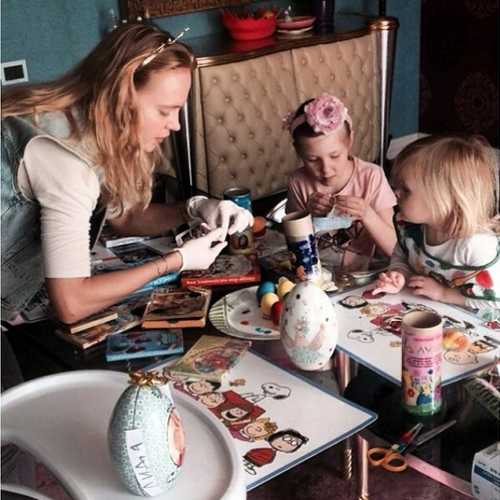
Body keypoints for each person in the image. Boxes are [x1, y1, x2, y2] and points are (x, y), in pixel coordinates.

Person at [1, 24, 253, 325]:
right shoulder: (67, 162)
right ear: (121, 97)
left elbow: (125, 217)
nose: (175, 124)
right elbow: (72, 303)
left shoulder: (90, 126)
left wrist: (193, 207)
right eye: (164, 111)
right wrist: (177, 261)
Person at [373, 135, 500, 315]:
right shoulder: (411, 227)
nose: (396, 193)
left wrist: (443, 293)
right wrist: (399, 275)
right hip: (433, 311)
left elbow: (494, 300)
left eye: (406, 189)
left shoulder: (475, 244)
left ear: (444, 198)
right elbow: (401, 257)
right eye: (396, 186)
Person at [284, 93, 397, 271]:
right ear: (298, 151)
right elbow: (293, 243)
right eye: (312, 160)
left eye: (335, 156)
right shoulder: (298, 181)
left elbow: (394, 250)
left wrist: (367, 214)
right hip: (316, 274)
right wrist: (308, 213)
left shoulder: (371, 176)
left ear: (350, 141)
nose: (326, 169)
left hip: (363, 274)